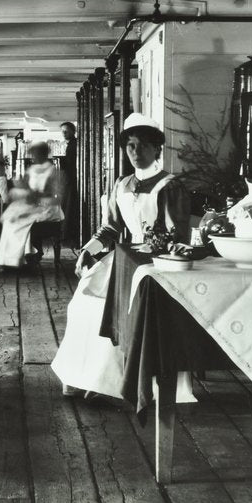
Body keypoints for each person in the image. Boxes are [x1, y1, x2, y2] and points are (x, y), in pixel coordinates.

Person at [51, 113, 190, 401]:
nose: (136, 152)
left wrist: (158, 251)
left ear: (157, 149)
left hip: (157, 263)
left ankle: (116, 384)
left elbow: (178, 237)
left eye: (142, 146)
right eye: (130, 146)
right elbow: (111, 227)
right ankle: (83, 376)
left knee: (116, 308)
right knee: (84, 302)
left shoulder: (170, 185)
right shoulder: (121, 184)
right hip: (124, 258)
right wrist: (87, 250)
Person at [0, 141, 65, 268]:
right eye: (33, 154)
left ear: (45, 154)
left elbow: (57, 195)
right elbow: (27, 186)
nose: (35, 157)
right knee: (11, 220)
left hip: (47, 205)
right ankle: (13, 259)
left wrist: (39, 196)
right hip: (33, 203)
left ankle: (29, 255)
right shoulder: (31, 170)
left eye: (38, 154)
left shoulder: (53, 171)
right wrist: (21, 187)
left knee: (23, 220)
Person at [60, 121, 79, 245]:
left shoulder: (74, 145)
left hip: (73, 180)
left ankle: (70, 235)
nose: (64, 133)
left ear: (73, 131)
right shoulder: (71, 144)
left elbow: (71, 164)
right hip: (69, 180)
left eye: (66, 131)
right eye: (62, 131)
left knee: (70, 207)